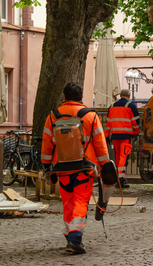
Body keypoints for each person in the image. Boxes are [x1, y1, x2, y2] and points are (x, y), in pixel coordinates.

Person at [41, 82, 110, 254]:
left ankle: (69, 233)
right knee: (80, 201)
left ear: (64, 97)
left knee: (68, 203)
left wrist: (46, 166)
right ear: (81, 98)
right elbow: (100, 145)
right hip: (84, 168)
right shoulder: (91, 116)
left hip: (61, 169)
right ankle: (75, 238)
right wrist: (105, 167)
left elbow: (46, 145)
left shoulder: (52, 117)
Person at [105, 88, 139, 188]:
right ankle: (120, 179)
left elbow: (108, 123)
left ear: (120, 95)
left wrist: (107, 135)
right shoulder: (131, 106)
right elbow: (135, 123)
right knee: (123, 157)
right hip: (126, 135)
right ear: (128, 96)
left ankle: (119, 178)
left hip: (114, 135)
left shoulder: (111, 106)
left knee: (118, 157)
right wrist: (135, 133)